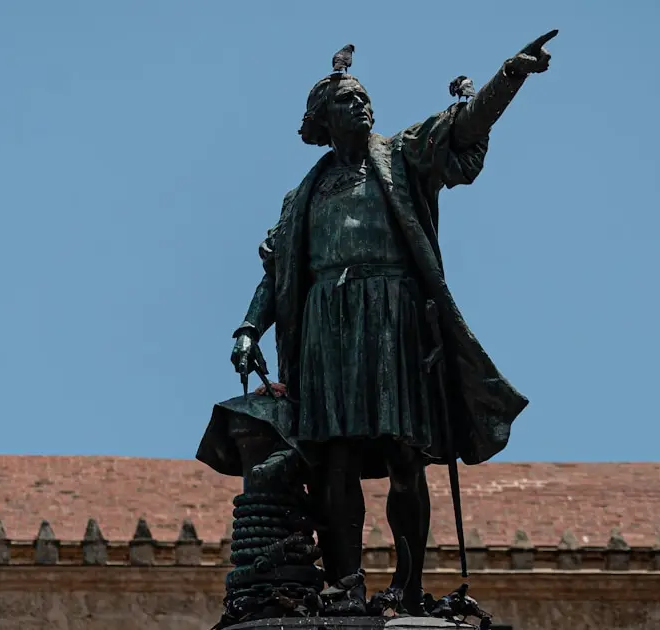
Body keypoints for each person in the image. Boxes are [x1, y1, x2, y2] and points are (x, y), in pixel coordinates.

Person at [230, 33, 555, 615]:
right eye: (347, 100)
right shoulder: (303, 195)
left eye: (363, 97)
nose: (361, 104)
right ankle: (347, 582)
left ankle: (407, 583)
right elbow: (278, 274)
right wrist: (249, 328)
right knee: (336, 457)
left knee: (407, 454)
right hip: (328, 323)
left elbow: (463, 127)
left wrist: (508, 77)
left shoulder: (402, 157)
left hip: (394, 315)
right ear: (322, 120)